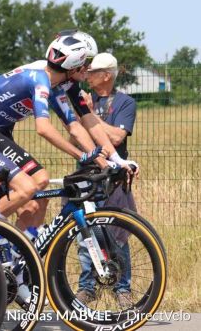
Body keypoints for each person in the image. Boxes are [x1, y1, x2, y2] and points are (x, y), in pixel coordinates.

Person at [0, 31, 111, 235]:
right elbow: (43, 128)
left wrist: (105, 161)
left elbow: (75, 127)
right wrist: (81, 155)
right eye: (85, 65)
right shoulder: (40, 79)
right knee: (27, 189)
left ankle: (18, 246)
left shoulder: (54, 86)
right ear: (73, 68)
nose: (87, 70)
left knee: (39, 186)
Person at [75, 52, 138, 307]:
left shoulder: (125, 102)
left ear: (106, 76)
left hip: (113, 177)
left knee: (116, 232)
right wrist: (84, 117)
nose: (87, 76)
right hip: (86, 173)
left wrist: (90, 114)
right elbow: (74, 137)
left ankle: (122, 288)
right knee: (84, 233)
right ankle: (87, 287)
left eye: (92, 72)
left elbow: (116, 138)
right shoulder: (81, 100)